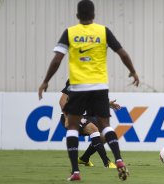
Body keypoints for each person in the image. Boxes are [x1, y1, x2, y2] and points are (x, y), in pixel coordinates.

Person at [38, 0, 139, 181]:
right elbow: (122, 53)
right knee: (106, 126)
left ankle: (76, 171)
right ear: (94, 15)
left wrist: (45, 81)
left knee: (72, 127)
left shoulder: (70, 32)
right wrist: (132, 71)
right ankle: (119, 159)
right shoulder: (103, 31)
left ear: (77, 16)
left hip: (78, 86)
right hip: (100, 85)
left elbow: (57, 60)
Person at [59, 80, 119, 169]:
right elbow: (62, 101)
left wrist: (108, 104)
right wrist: (67, 117)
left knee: (104, 137)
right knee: (93, 129)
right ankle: (107, 162)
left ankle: (84, 158)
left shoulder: (93, 81)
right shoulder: (75, 80)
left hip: (86, 116)